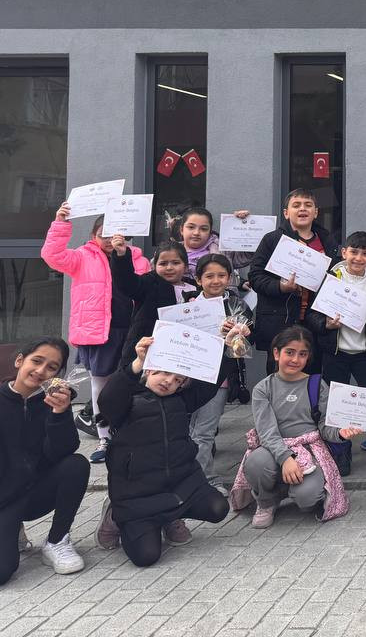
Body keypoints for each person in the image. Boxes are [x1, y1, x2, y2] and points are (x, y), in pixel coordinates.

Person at [95, 336, 229, 566]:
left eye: (177, 379)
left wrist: (228, 347)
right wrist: (136, 363)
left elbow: (212, 379)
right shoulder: (126, 400)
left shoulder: (182, 400)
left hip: (179, 484)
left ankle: (170, 517)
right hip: (136, 494)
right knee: (145, 557)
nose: (169, 381)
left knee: (218, 508)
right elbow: (107, 400)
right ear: (149, 370)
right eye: (164, 373)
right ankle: (114, 515)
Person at [41, 203, 149, 463]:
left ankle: (131, 433)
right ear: (93, 236)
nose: (109, 240)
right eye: (103, 235)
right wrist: (61, 223)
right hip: (98, 332)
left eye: (114, 234)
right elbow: (52, 255)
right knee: (100, 384)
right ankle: (104, 436)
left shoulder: (139, 259)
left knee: (135, 382)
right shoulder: (82, 256)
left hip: (132, 330)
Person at [230, 327, 360, 527]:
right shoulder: (263, 388)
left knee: (307, 498)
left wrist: (340, 433)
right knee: (256, 462)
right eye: (289, 352)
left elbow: (324, 427)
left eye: (302, 354)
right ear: (276, 353)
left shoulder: (317, 385)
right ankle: (266, 501)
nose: (295, 359)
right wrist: (286, 459)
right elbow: (267, 432)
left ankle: (289, 489)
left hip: (309, 449)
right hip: (273, 448)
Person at [303, 231, 366, 474]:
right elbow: (311, 316)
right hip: (336, 353)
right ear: (344, 252)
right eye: (354, 252)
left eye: (365, 253)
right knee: (336, 406)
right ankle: (341, 452)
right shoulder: (329, 279)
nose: (358, 258)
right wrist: (326, 324)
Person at [0, 337, 89, 583]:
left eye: (51, 367)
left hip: (35, 492)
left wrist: (60, 414)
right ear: (20, 361)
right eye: (36, 361)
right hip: (4, 499)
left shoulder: (52, 402)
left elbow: (62, 452)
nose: (41, 371)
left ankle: (57, 541)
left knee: (76, 464)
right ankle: (12, 530)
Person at [183, 254, 254, 491]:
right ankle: (192, 479)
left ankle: (205, 481)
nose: (216, 281)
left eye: (221, 275)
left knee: (204, 431)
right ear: (198, 279)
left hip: (218, 378)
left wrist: (238, 332)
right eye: (209, 276)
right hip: (186, 376)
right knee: (188, 431)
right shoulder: (186, 306)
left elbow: (242, 346)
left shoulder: (237, 305)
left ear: (230, 277)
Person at [247, 189, 342, 367]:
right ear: (286, 213)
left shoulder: (328, 241)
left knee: (313, 375)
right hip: (281, 321)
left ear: (316, 212)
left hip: (316, 323)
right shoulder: (272, 240)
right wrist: (280, 287)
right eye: (296, 205)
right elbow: (255, 276)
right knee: (279, 375)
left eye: (308, 205)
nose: (302, 209)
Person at [113, 239, 196, 370]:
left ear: (185, 266)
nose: (169, 267)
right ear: (154, 266)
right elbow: (127, 282)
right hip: (149, 349)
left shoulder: (195, 288)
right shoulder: (149, 283)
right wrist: (122, 256)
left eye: (175, 263)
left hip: (185, 351)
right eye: (163, 263)